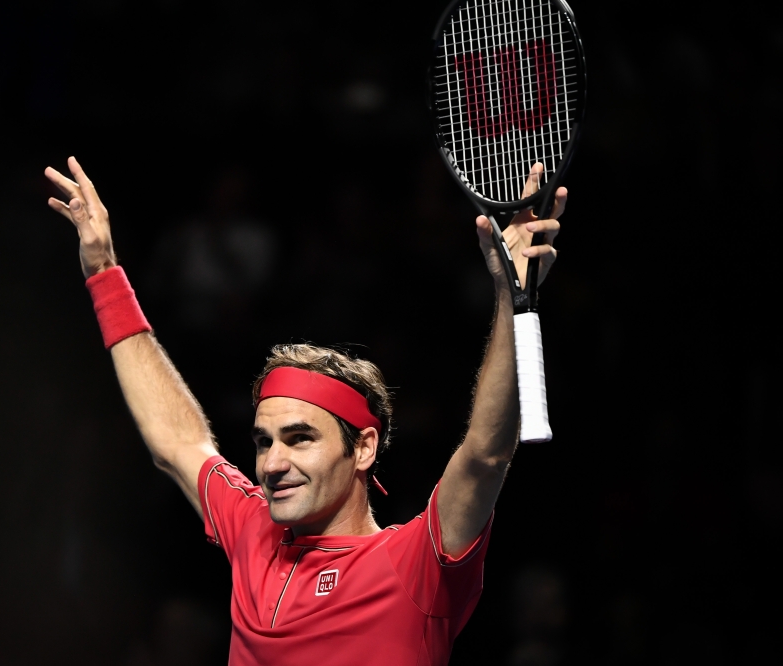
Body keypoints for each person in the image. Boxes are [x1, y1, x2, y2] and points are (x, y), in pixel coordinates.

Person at [44, 156, 564, 666]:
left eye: (300, 438)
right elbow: (177, 441)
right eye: (264, 441)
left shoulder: (416, 564)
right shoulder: (254, 530)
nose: (271, 464)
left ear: (363, 447)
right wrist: (104, 273)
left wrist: (510, 296)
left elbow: (485, 455)